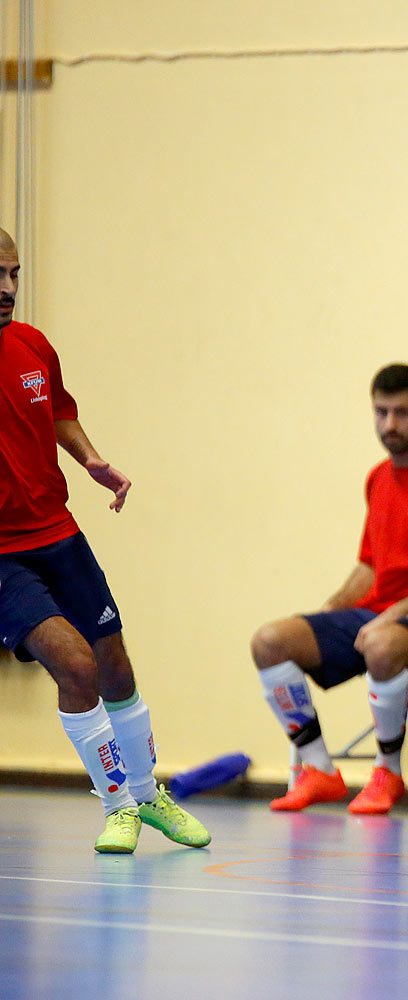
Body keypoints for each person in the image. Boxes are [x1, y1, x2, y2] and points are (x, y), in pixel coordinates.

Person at [0, 227, 210, 853]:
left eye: (15, 273)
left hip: (59, 533)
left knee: (114, 661)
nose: (8, 288)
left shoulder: (33, 344)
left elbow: (59, 410)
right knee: (75, 664)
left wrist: (90, 460)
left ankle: (149, 795)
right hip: (3, 554)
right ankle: (117, 805)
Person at [250, 364, 408, 815]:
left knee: (380, 642)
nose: (389, 424)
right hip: (382, 617)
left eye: (401, 413)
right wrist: (331, 611)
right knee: (270, 641)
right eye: (381, 412)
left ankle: (388, 773)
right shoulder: (378, 477)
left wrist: (393, 614)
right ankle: (319, 771)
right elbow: (369, 566)